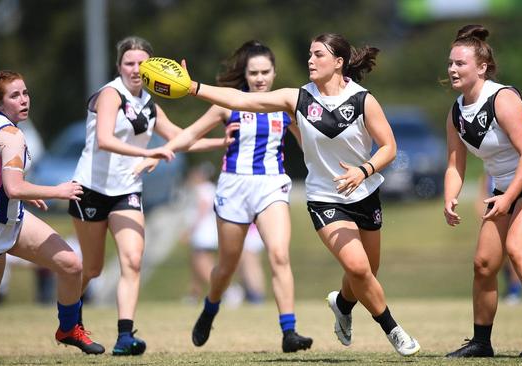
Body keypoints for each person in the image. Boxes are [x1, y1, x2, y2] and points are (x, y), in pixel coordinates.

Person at [167, 34, 422, 356]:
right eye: (309, 54)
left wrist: (363, 170)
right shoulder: (297, 98)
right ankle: (394, 330)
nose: (310, 61)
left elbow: (389, 147)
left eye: (318, 55)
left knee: (366, 272)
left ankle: (342, 305)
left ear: (338, 62)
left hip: (364, 192)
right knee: (357, 269)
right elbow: (241, 101)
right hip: (324, 198)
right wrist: (193, 88)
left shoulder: (363, 100)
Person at [138, 40, 313, 352]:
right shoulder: (227, 103)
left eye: (265, 72)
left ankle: (289, 331)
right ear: (244, 74)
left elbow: (309, 149)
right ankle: (210, 307)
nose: (260, 78)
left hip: (271, 185)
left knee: (279, 254)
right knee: (226, 267)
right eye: (254, 72)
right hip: (233, 188)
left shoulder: (287, 105)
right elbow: (190, 134)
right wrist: (160, 152)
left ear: (274, 73)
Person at [68, 36, 226, 356]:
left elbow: (180, 139)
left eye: (142, 63)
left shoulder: (150, 104)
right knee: (93, 270)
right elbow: (105, 139)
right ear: (119, 67)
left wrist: (221, 141)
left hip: (126, 190)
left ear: (153, 67)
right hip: (90, 191)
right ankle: (69, 319)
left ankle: (125, 336)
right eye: (129, 63)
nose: (135, 69)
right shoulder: (110, 95)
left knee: (133, 259)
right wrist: (152, 151)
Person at [0, 71, 104, 365]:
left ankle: (68, 328)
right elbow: (12, 186)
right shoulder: (11, 135)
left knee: (70, 264)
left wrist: (28, 194)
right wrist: (58, 190)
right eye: (14, 96)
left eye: (25, 93)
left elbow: (2, 183)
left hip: (12, 218)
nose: (24, 100)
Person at [443, 25, 522, 358]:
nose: (453, 69)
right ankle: (481, 342)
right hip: (505, 189)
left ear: (481, 67)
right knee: (484, 264)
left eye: (460, 63)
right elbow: (455, 165)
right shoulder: (456, 112)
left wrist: (508, 198)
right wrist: (449, 197)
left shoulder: (502, 98)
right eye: (451, 63)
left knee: (517, 247)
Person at [182, 163, 266, 306]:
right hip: (209, 232)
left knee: (201, 262)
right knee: (199, 264)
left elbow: (203, 209)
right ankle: (194, 295)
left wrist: (191, 230)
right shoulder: (212, 188)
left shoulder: (204, 189)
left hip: (204, 233)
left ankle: (229, 291)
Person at [477, 174, 522, 305]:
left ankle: (515, 291)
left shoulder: (510, 171)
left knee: (513, 252)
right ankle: (509, 287)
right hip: (495, 216)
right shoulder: (488, 174)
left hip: (512, 214)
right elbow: (482, 196)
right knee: (495, 257)